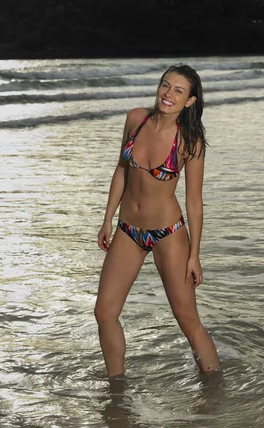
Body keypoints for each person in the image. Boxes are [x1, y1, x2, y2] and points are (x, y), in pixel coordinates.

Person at [94, 64, 219, 378]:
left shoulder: (190, 142)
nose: (168, 94)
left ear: (190, 101)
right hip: (128, 230)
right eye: (166, 85)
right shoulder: (136, 118)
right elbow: (122, 169)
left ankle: (216, 386)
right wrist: (108, 218)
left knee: (187, 318)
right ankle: (116, 389)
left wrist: (194, 256)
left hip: (169, 233)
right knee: (104, 312)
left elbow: (194, 201)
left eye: (179, 90)